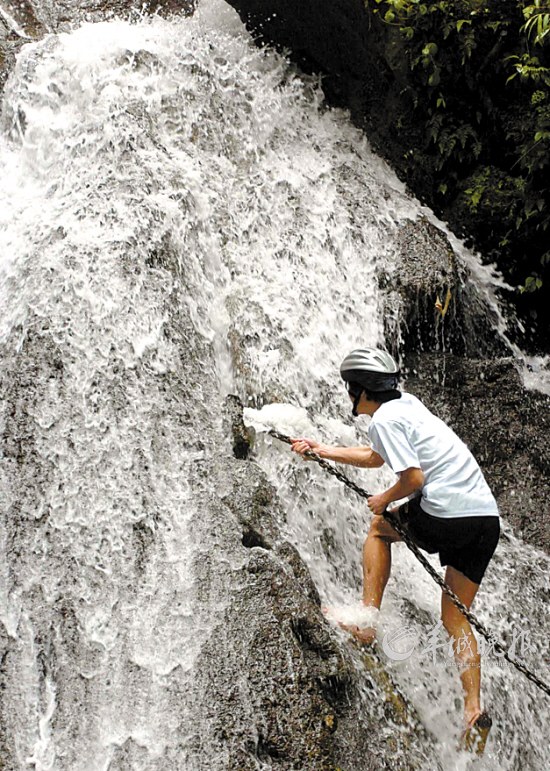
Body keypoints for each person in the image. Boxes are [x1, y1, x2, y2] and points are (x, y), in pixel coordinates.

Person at [290, 347, 500, 741]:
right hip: (485, 520)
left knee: (377, 528)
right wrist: (322, 450)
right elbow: (376, 458)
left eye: (350, 388)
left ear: (360, 390)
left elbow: (414, 480)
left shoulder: (382, 420)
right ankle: (474, 708)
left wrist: (385, 500)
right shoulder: (406, 405)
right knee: (456, 618)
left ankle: (367, 620)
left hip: (448, 512)